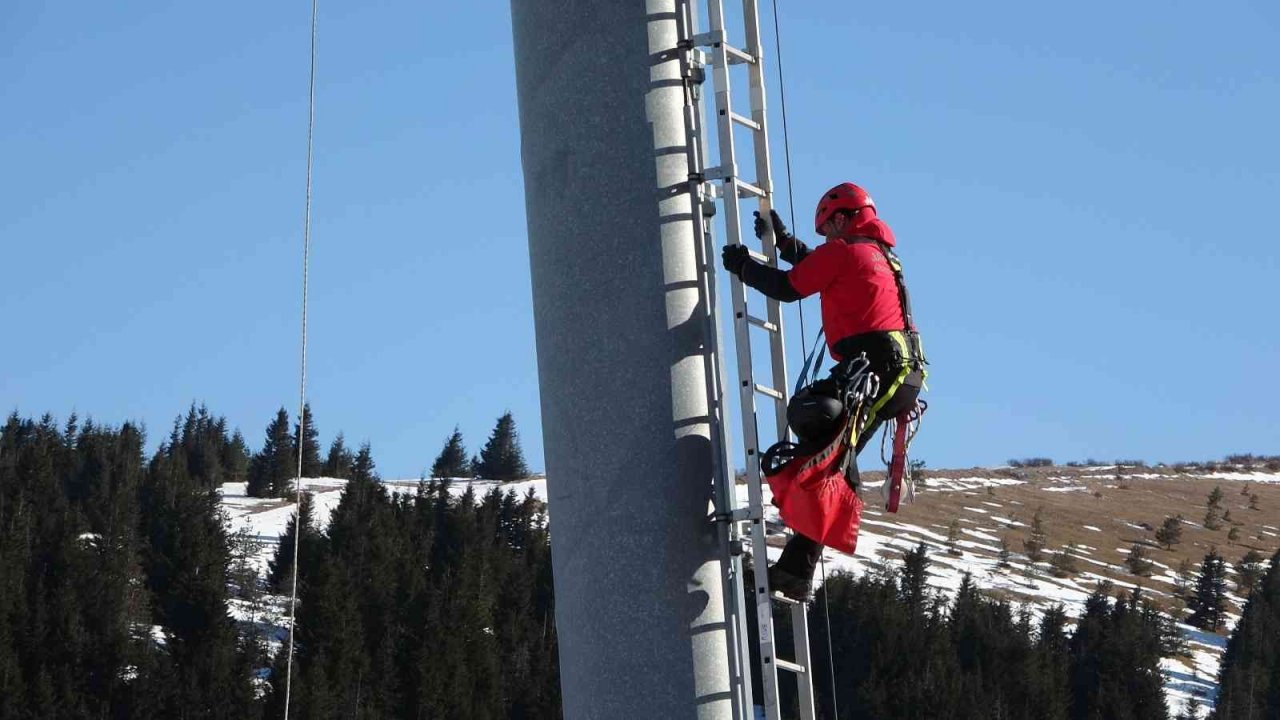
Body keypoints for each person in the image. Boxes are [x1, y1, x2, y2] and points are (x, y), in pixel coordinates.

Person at [721, 182, 926, 601]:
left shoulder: (846, 251)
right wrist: (781, 240)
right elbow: (816, 266)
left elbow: (789, 287)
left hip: (874, 368)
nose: (827, 237)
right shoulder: (874, 253)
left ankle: (799, 555)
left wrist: (743, 267)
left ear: (841, 218)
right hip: (893, 373)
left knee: (816, 431)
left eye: (829, 228)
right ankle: (796, 571)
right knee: (829, 456)